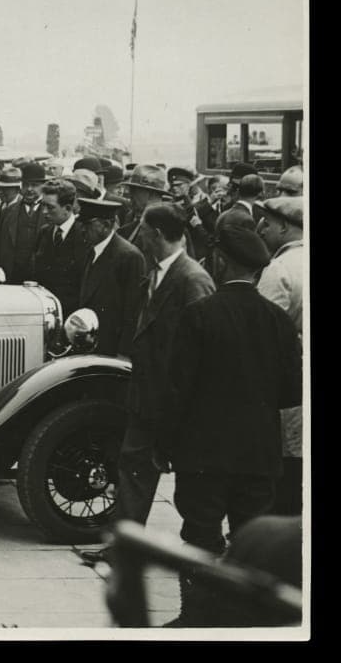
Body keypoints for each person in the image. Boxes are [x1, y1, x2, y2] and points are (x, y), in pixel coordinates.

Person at [157, 212, 301, 626]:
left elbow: (176, 391)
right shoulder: (277, 321)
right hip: (258, 452)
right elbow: (292, 393)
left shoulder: (200, 315)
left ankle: (196, 616)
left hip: (203, 453)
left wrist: (163, 447)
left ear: (221, 261)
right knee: (251, 538)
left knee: (199, 535)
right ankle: (243, 618)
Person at [82, 202, 215, 567]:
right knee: (133, 467)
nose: (137, 234)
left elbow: (203, 347)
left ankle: (199, 551)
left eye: (142, 228)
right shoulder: (158, 274)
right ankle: (125, 547)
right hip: (147, 394)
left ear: (156, 233)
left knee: (188, 482)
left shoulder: (192, 279)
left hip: (175, 400)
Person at [255, 196, 304, 516]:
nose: (261, 228)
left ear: (285, 227)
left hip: (287, 388)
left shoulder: (280, 269)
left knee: (285, 474)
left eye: (268, 223)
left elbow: (261, 333)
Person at [76, 198, 147, 358]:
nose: (82, 230)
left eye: (87, 225)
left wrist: (123, 354)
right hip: (92, 345)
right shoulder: (93, 250)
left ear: (107, 225)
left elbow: (133, 312)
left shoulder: (128, 256)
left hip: (112, 350)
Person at [31, 179, 88, 317]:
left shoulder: (84, 236)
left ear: (68, 208)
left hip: (73, 317)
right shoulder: (44, 232)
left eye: (50, 207)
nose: (44, 212)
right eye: (42, 205)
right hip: (46, 314)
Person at [0, 162, 47, 284]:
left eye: (34, 185)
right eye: (26, 185)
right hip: (11, 279)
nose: (29, 189)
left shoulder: (49, 213)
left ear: (43, 186)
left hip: (39, 280)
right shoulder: (8, 212)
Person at [117, 165, 172, 253]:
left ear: (150, 193)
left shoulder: (172, 227)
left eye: (134, 190)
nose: (130, 195)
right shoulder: (131, 223)